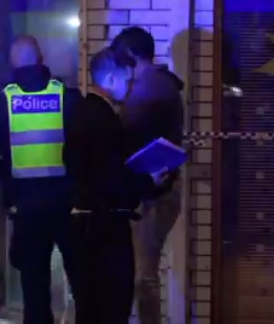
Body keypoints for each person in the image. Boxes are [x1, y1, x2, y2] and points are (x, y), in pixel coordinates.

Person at [0, 35, 82, 324]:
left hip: (26, 209)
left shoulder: (0, 104)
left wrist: (6, 170)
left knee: (34, 291)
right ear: (41, 59)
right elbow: (86, 148)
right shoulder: (67, 98)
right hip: (69, 208)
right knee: (84, 286)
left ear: (13, 64)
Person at [63, 47, 169, 324]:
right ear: (111, 79)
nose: (131, 87)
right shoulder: (103, 119)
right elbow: (110, 178)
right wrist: (147, 180)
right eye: (128, 81)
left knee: (89, 308)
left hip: (85, 226)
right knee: (111, 307)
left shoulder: (82, 112)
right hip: (104, 229)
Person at [111, 26, 184, 324]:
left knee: (144, 273)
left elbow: (123, 129)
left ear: (129, 55)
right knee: (144, 271)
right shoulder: (161, 83)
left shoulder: (150, 87)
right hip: (155, 192)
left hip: (153, 196)